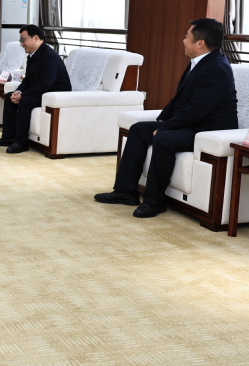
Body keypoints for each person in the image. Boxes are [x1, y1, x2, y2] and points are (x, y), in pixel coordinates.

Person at [95, 18, 238, 218]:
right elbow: (179, 99)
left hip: (208, 130)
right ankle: (125, 192)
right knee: (138, 129)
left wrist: (165, 127)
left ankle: (155, 202)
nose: (183, 40)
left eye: (187, 36)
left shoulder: (217, 69)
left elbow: (196, 110)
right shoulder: (200, 62)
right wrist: (163, 119)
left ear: (200, 43)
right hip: (193, 124)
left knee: (164, 139)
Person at [0, 25, 71, 153]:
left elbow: (46, 84)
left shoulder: (50, 56)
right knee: (10, 96)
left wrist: (23, 96)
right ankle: (8, 137)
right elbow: (27, 80)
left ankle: (21, 143)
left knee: (25, 101)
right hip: (42, 92)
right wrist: (18, 92)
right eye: (20, 40)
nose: (21, 44)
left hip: (54, 96)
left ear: (36, 38)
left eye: (23, 40)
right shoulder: (33, 55)